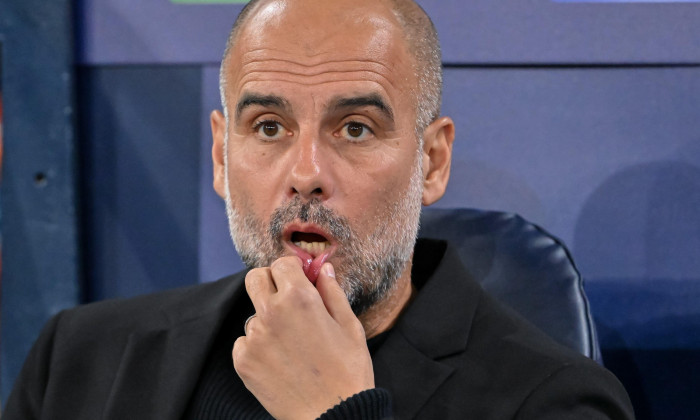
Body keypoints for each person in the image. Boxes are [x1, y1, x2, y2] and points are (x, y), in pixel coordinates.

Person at [4, 0, 635, 418]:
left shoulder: (555, 403)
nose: (305, 173)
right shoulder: (78, 362)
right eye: (271, 127)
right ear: (223, 156)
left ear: (433, 162)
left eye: (355, 128)